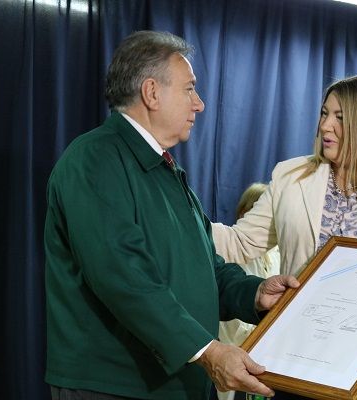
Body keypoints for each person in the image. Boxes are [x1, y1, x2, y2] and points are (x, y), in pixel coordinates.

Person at [44, 30, 299, 400]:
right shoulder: (94, 160)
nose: (200, 104)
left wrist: (255, 294)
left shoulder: (166, 171)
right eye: (189, 89)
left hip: (175, 382)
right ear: (151, 92)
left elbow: (206, 268)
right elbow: (123, 277)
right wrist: (207, 351)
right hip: (114, 386)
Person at [212, 75, 357, 399]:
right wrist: (180, 217)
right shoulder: (290, 177)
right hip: (301, 360)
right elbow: (240, 243)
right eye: (325, 114)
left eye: (340, 117)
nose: (326, 126)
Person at [217, 183, 281, 400]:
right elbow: (231, 327)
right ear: (245, 213)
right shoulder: (227, 256)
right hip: (233, 354)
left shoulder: (281, 256)